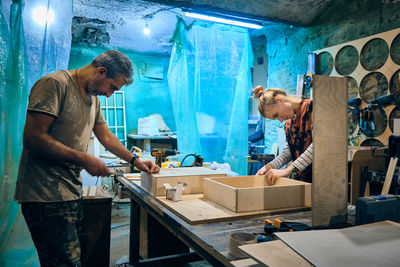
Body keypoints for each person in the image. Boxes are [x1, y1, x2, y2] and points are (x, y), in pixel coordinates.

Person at [14, 50, 160, 266]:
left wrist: (135, 161)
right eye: (112, 87)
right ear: (101, 71)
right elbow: (33, 137)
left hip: (69, 191)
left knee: (77, 258)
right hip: (44, 195)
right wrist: (84, 159)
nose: (110, 94)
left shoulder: (93, 98)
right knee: (62, 262)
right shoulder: (54, 84)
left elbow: (106, 136)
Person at [253, 86, 313, 185]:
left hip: (323, 178)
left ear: (279, 99)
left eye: (276, 115)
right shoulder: (289, 124)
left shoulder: (312, 108)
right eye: (275, 118)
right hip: (306, 181)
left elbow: (318, 145)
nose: (280, 120)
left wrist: (288, 170)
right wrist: (268, 167)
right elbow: (288, 153)